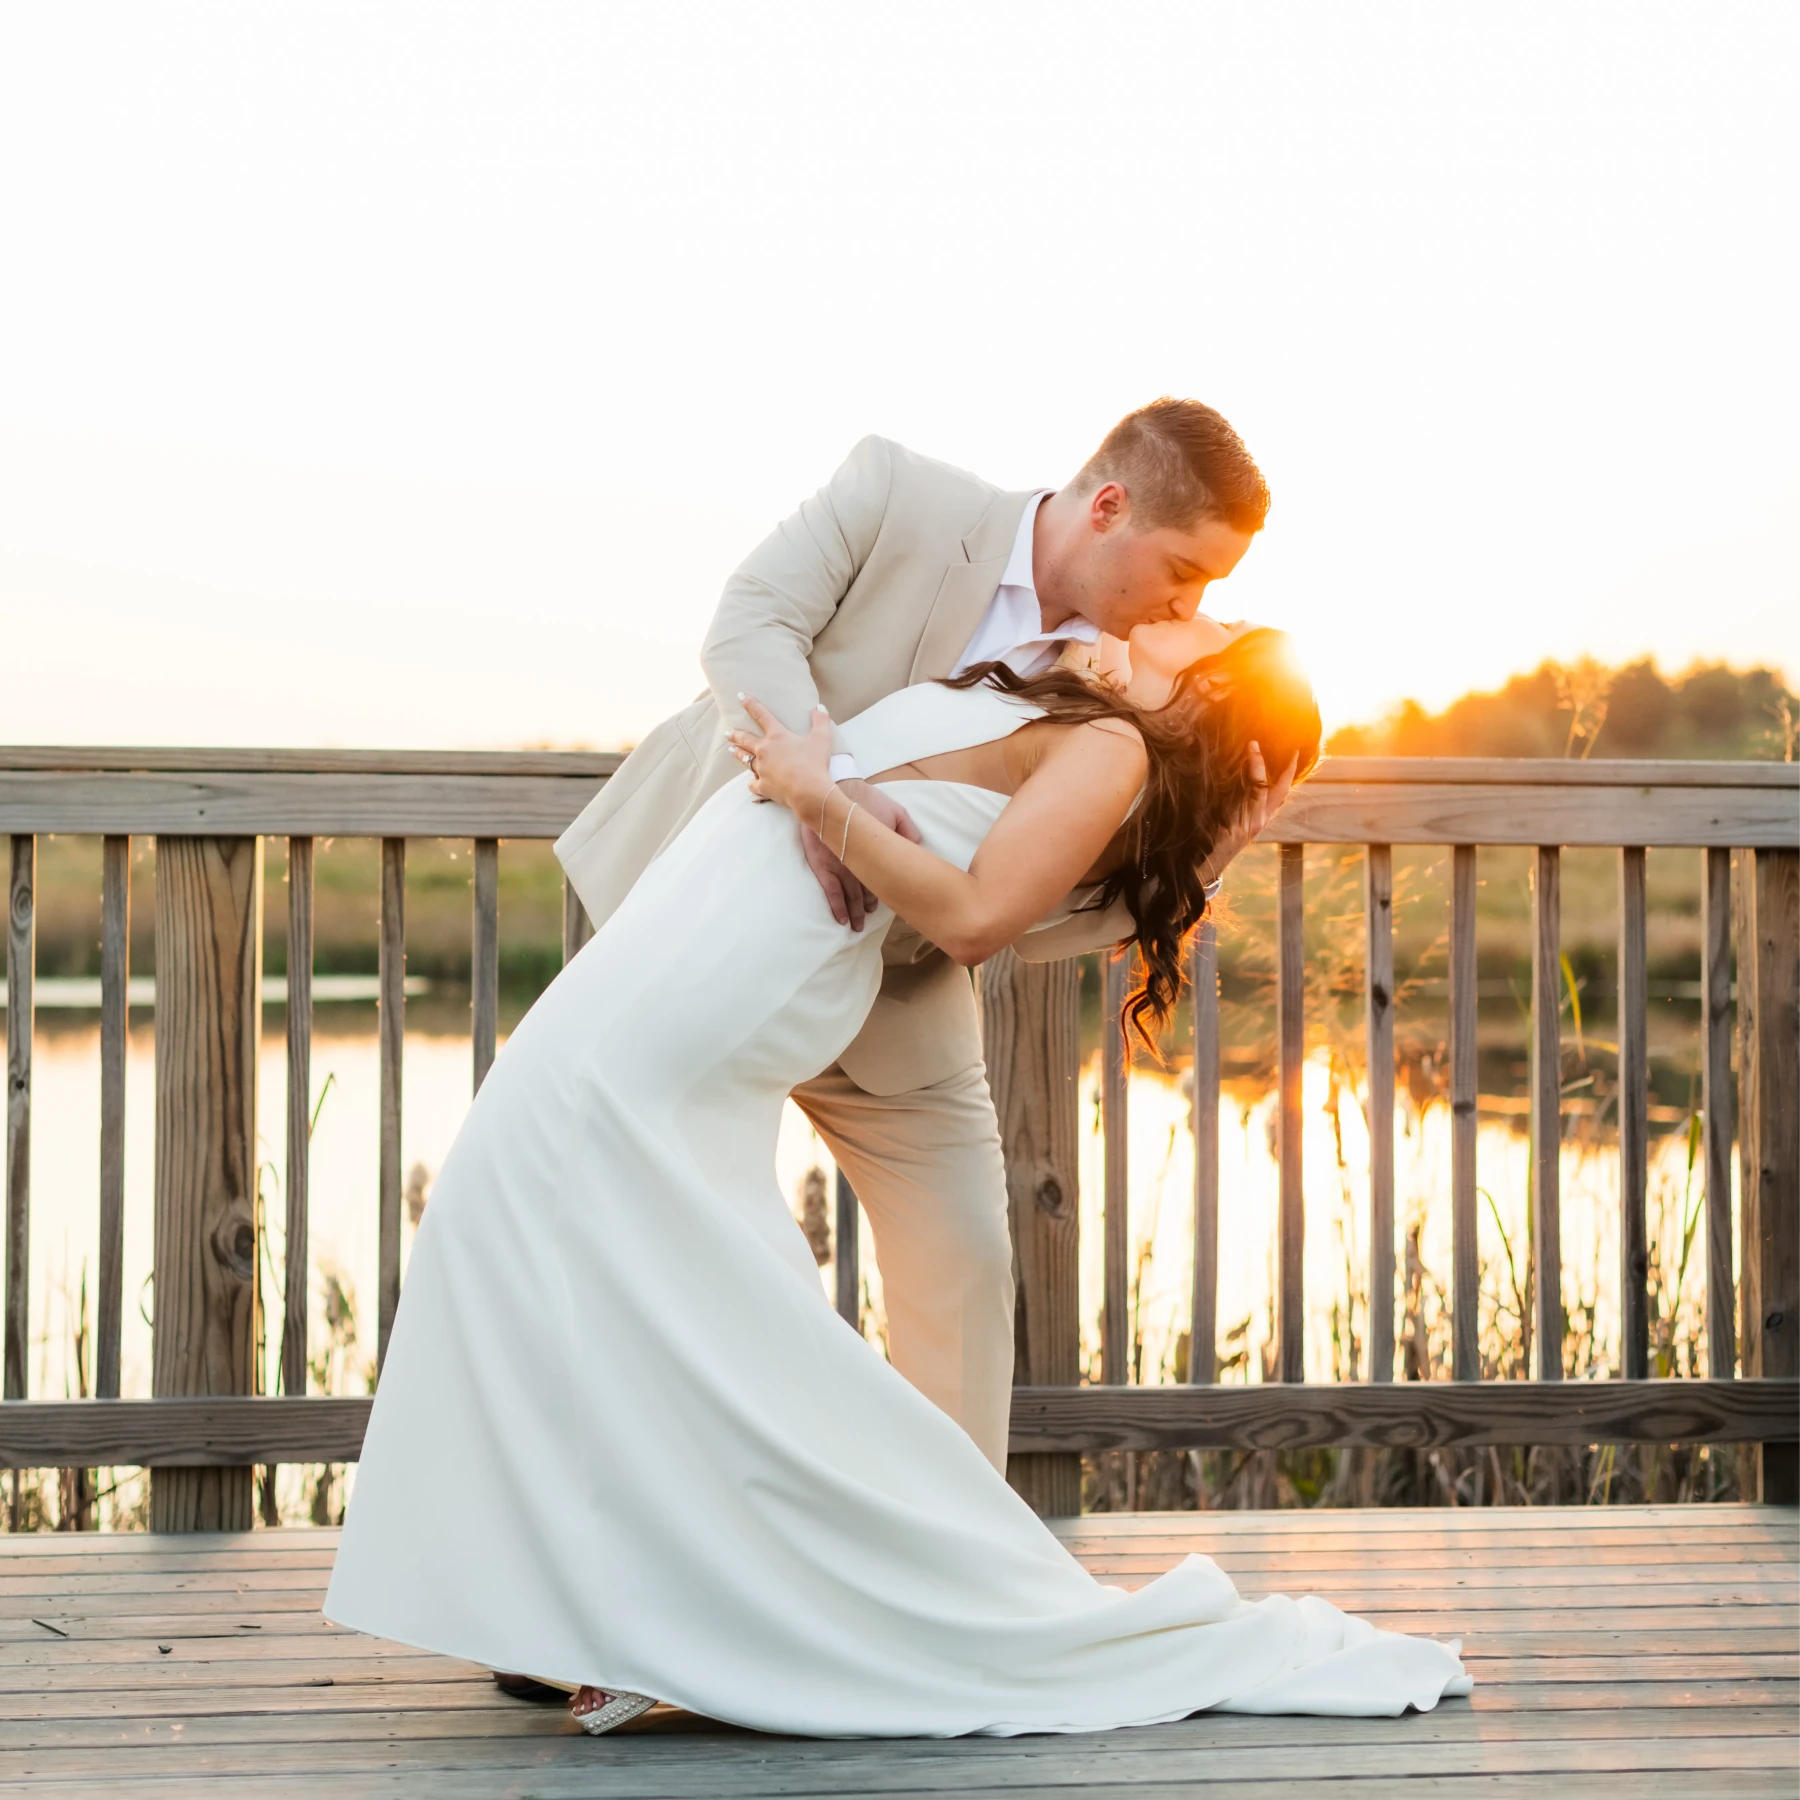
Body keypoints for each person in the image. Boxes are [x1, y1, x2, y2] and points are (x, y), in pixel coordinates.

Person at [324, 620, 1473, 1735]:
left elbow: (976, 919)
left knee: (582, 1207)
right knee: (599, 1245)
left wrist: (818, 796)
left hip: (747, 945)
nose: (1176, 618)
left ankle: (674, 1613)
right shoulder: (1075, 695)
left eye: (1201, 621)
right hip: (697, 919)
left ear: (1216, 690)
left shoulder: (1116, 752)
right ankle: (641, 1603)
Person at [552, 400, 1289, 1476]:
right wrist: (829, 795)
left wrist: (1212, 851)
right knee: (631, 1235)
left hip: (898, 985)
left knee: (966, 1264)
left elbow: (1028, 907)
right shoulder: (898, 492)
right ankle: (590, 1555)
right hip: (701, 920)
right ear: (1110, 506)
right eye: (1185, 567)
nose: (1193, 601)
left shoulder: (1129, 688)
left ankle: (953, 1577)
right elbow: (750, 623)